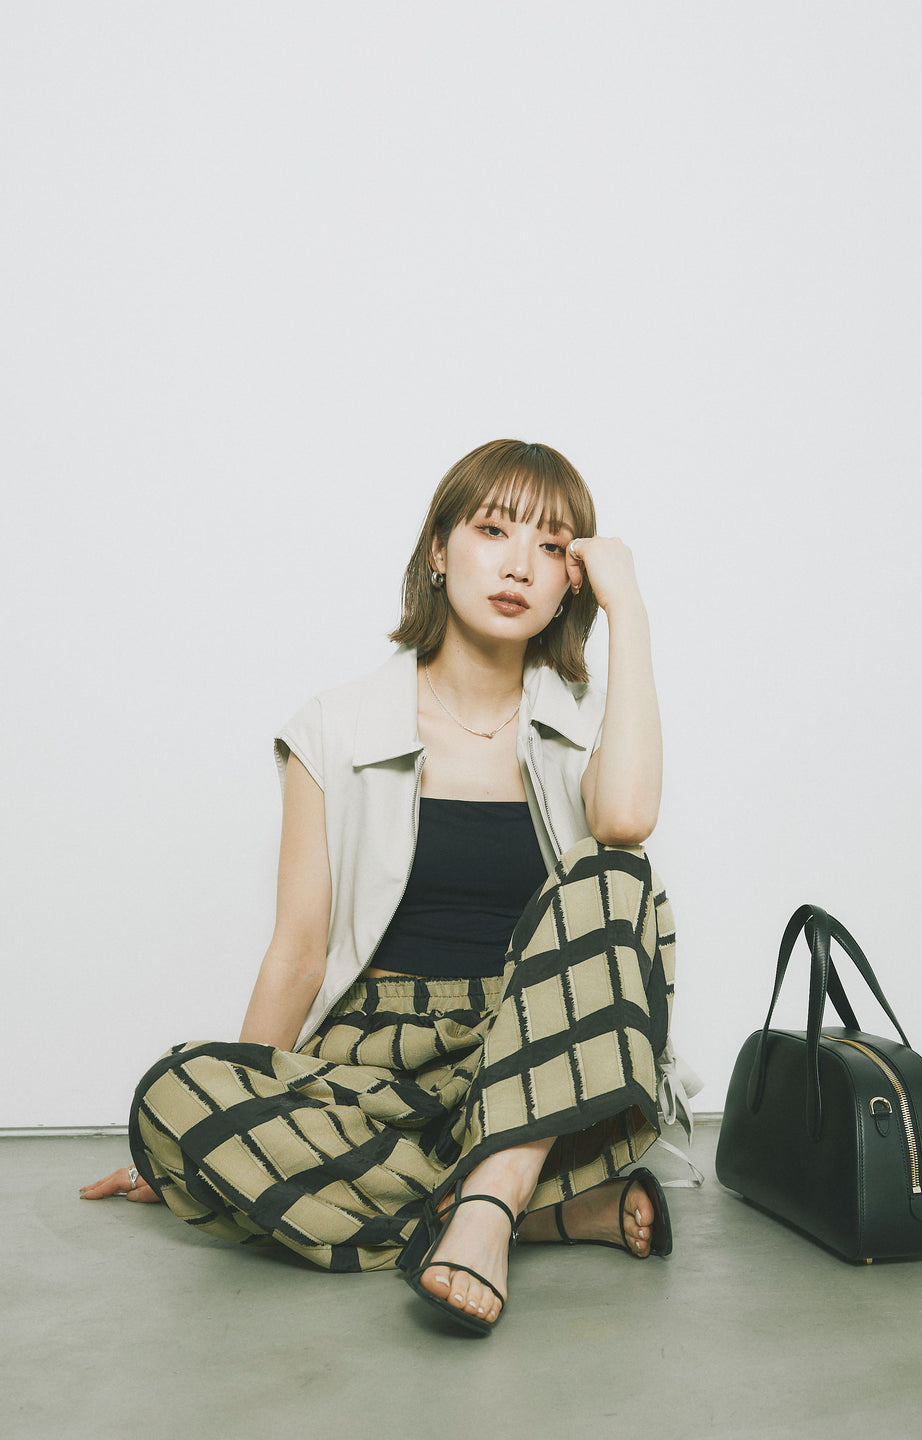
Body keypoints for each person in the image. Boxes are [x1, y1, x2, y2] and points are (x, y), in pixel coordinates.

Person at [81, 438, 677, 1334]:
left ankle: (491, 1202)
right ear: (438, 550)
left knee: (613, 872)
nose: (520, 564)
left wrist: (628, 606)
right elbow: (298, 953)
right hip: (374, 1065)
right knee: (173, 1093)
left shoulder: (582, 727)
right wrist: (225, 1117)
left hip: (523, 1051)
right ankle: (532, 1210)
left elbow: (626, 820)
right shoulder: (335, 727)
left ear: (571, 583)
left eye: (553, 547)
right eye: (493, 530)